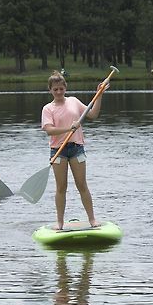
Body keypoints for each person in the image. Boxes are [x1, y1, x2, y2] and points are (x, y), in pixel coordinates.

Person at [41, 71, 108, 230]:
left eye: (61, 89)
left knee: (82, 185)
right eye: (55, 89)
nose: (58, 92)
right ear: (50, 90)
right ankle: (60, 222)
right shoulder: (47, 109)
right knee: (61, 187)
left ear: (65, 88)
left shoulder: (74, 101)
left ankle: (92, 220)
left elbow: (92, 114)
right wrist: (68, 128)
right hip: (58, 151)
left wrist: (99, 95)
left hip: (76, 148)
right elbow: (49, 130)